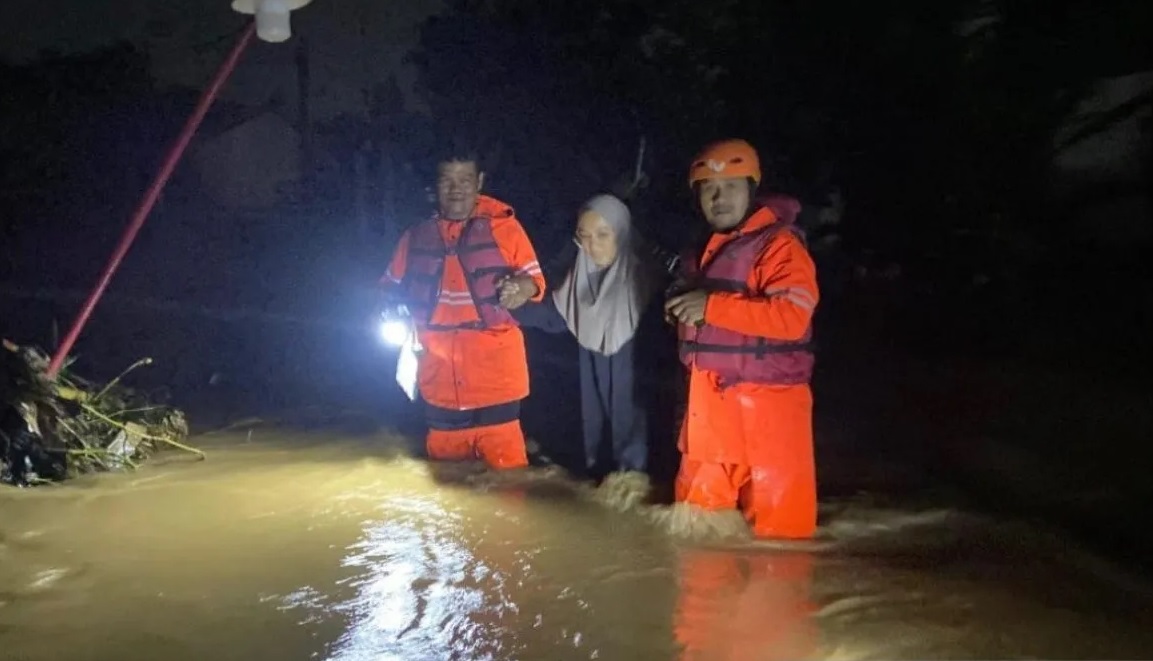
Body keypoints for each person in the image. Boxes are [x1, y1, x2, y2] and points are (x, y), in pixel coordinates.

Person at [665, 139, 820, 539]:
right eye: (709, 189)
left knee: (780, 541)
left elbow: (791, 318)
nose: (720, 199)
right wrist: (680, 312)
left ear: (752, 189)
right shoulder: (700, 251)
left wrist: (710, 307)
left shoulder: (779, 245)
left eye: (731, 186)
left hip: (769, 412)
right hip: (708, 409)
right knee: (695, 532)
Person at [379, 149, 546, 469]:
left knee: (508, 485)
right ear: (435, 185)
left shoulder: (506, 229)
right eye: (447, 180)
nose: (456, 189)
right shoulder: (414, 237)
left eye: (465, 180)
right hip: (439, 384)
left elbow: (536, 283)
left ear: (479, 182)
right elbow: (387, 288)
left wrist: (520, 289)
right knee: (447, 486)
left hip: (497, 382)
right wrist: (390, 309)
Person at [509, 194, 673, 481]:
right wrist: (511, 299)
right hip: (592, 441)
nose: (592, 245)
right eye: (583, 236)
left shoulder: (652, 285)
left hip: (648, 442)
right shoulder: (578, 281)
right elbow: (551, 317)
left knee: (637, 470)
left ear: (622, 234)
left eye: (602, 235)